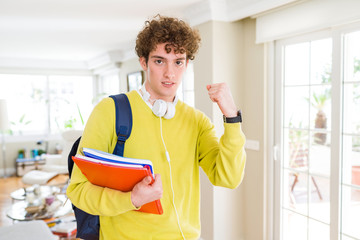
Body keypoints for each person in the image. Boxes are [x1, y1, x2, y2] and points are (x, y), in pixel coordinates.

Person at [66, 14, 246, 240]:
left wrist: (231, 117)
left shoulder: (197, 121)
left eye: (178, 61)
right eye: (159, 61)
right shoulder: (110, 111)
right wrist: (132, 199)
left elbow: (228, 178)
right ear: (143, 62)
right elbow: (78, 191)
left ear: (187, 64)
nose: (170, 73)